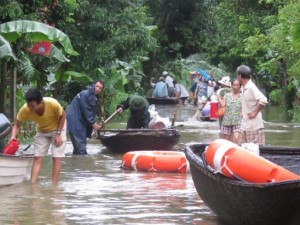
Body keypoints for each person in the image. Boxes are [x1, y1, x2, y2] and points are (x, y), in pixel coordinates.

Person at [9, 88, 66, 184]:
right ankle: (33, 184)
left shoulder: (52, 104)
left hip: (58, 128)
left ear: (41, 103)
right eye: (28, 105)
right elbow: (17, 125)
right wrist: (13, 136)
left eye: (32, 106)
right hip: (42, 130)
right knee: (37, 157)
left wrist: (58, 134)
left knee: (56, 157)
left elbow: (63, 116)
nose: (30, 108)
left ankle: (54, 185)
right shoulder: (25, 109)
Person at [66, 80, 104, 155]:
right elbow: (86, 110)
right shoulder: (86, 94)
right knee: (81, 151)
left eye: (100, 88)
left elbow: (90, 112)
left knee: (78, 149)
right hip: (75, 121)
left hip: (79, 121)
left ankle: (76, 164)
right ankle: (82, 165)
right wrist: (93, 123)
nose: (97, 89)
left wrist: (93, 124)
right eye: (97, 86)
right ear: (93, 85)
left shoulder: (93, 97)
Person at [237, 65, 268, 145]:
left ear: (240, 76)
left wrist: (254, 112)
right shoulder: (243, 88)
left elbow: (263, 100)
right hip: (245, 125)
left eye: (237, 75)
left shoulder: (251, 87)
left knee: (255, 152)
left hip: (254, 127)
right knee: (242, 150)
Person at [218, 79, 242, 144]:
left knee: (236, 138)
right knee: (226, 141)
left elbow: (243, 108)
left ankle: (236, 151)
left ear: (240, 86)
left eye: (237, 85)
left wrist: (242, 115)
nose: (235, 87)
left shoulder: (242, 96)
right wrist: (218, 97)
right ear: (232, 86)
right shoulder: (227, 95)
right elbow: (223, 105)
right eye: (234, 85)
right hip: (227, 120)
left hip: (237, 120)